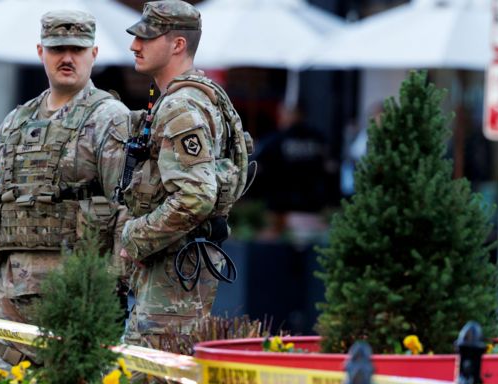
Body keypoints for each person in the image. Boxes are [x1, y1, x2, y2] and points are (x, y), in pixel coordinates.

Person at [0, 9, 130, 374]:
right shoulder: (15, 121)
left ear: (94, 54)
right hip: (10, 306)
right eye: (57, 48)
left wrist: (117, 282)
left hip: (77, 300)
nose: (67, 58)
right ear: (40, 52)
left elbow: (126, 207)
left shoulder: (109, 118)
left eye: (77, 49)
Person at [119, 0, 245, 349]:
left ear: (178, 45)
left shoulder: (181, 106)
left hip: (173, 274)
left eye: (146, 38)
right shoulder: (197, 96)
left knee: (153, 375)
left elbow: (196, 196)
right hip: (178, 268)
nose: (134, 46)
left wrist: (135, 237)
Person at [251, 103, 337, 239]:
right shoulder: (319, 139)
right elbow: (330, 167)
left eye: (283, 114)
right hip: (312, 202)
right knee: (309, 240)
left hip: (280, 203)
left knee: (276, 238)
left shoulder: (275, 140)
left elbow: (257, 166)